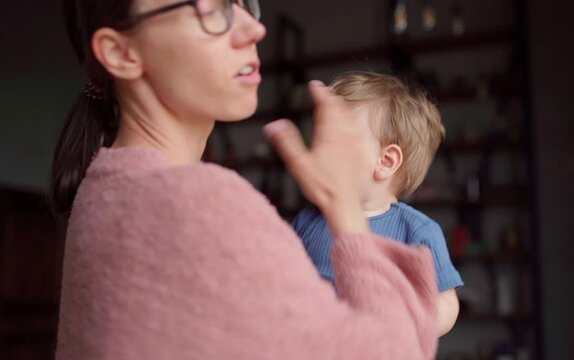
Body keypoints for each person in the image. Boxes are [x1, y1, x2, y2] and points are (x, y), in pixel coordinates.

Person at [52, 0, 440, 359]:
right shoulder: (198, 203)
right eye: (212, 8)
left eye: (242, 2)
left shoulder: (102, 189)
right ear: (122, 53)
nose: (254, 28)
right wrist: (342, 204)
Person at [292, 72, 463, 336]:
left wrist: (407, 323)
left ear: (385, 161)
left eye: (335, 140)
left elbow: (447, 302)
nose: (318, 150)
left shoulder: (416, 231)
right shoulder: (308, 220)